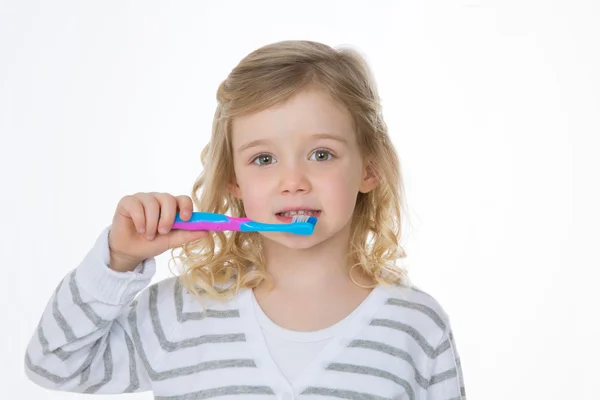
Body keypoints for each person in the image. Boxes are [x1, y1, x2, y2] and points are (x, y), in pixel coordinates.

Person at [24, 40, 466, 400]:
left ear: (368, 169)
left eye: (321, 154)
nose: (293, 181)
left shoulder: (417, 326)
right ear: (234, 181)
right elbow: (54, 363)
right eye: (264, 158)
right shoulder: (181, 313)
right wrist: (117, 259)